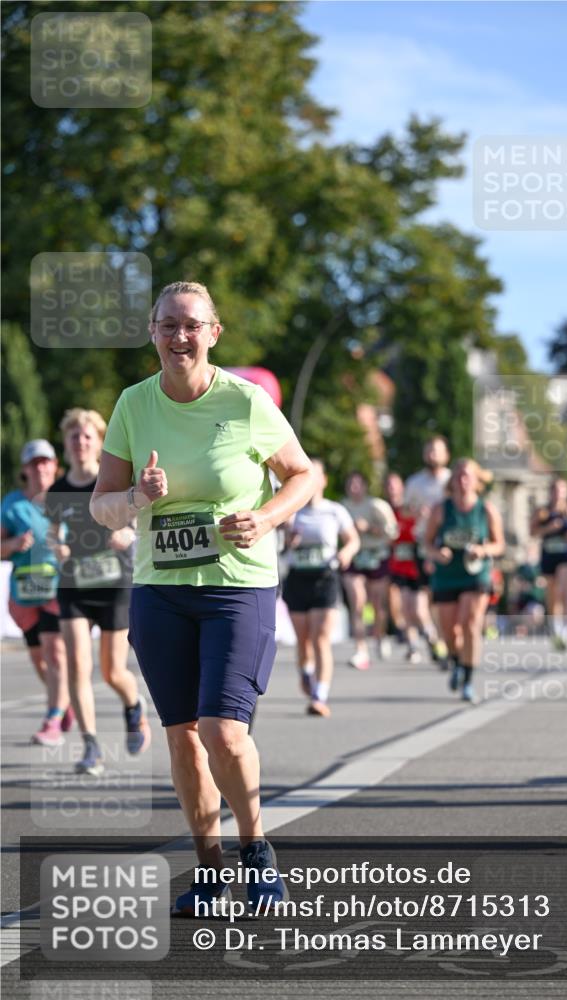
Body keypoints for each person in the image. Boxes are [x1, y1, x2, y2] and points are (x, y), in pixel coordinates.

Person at [89, 280, 314, 916]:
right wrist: (137, 498)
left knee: (223, 732)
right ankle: (208, 872)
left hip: (237, 586)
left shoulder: (246, 401)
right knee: (184, 738)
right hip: (162, 590)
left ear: (213, 333)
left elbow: (304, 474)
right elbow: (102, 507)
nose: (178, 336)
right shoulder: (134, 404)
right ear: (152, 332)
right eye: (167, 325)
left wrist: (267, 518)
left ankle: (256, 849)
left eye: (191, 325)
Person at [45, 409, 150, 775]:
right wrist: (55, 545)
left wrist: (128, 533)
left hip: (114, 584)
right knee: (76, 666)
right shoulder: (58, 490)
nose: (81, 443)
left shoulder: (113, 482)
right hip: (74, 584)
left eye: (88, 436)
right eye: (74, 437)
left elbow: (137, 517)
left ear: (99, 442)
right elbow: (53, 531)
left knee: (111, 671)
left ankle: (134, 705)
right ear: (67, 444)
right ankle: (91, 746)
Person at [1, 439, 71, 745]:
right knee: (38, 658)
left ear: (55, 466)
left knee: (55, 652)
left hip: (60, 589)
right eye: (34, 462)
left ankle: (53, 717)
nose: (40, 467)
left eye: (46, 461)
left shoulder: (68, 499)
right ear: (25, 470)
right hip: (25, 593)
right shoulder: (12, 504)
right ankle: (63, 701)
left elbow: (92, 540)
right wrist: (13, 546)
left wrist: (69, 550)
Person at [283, 459, 359, 716]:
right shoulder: (293, 511)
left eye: (317, 476)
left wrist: (346, 553)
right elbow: (280, 547)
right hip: (298, 578)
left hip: (326, 577)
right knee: (303, 641)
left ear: (324, 481)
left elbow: (352, 540)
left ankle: (320, 696)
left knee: (321, 639)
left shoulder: (334, 511)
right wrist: (289, 541)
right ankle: (306, 672)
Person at [424, 458, 505, 703]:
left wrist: (483, 551)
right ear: (452, 480)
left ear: (476, 480)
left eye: (467, 475)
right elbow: (426, 544)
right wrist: (438, 553)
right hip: (447, 575)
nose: (462, 480)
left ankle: (468, 680)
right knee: (450, 631)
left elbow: (499, 545)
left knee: (471, 623)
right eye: (458, 475)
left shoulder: (486, 509)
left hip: (475, 573)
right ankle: (457, 660)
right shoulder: (441, 509)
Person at [341, 471, 398, 670]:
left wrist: (370, 528)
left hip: (376, 555)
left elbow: (393, 531)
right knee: (357, 602)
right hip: (355, 556)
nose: (354, 488)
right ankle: (361, 649)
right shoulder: (343, 507)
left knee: (378, 604)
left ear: (365, 486)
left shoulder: (377, 505)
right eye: (351, 484)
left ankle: (380, 636)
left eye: (358, 484)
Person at [404, 436, 451, 663]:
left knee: (443, 601)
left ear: (446, 455)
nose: (433, 455)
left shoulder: (452, 481)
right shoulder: (415, 483)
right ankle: (434, 639)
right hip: (422, 544)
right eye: (429, 451)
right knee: (418, 603)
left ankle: (448, 643)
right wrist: (416, 514)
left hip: (448, 545)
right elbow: (404, 511)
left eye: (437, 451)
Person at [530, 478, 567, 650]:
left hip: (566, 556)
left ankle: (566, 629)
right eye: (555, 490)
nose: (558, 494)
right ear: (550, 492)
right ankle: (555, 627)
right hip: (549, 554)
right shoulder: (542, 511)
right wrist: (550, 528)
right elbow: (533, 532)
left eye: (561, 490)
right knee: (552, 593)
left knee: (564, 591)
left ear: (566, 492)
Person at [385, 472, 427, 663]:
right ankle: (413, 646)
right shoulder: (386, 512)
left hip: (416, 566)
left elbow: (425, 533)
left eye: (396, 485)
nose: (392, 489)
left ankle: (432, 638)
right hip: (398, 566)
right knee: (403, 608)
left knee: (418, 609)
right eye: (389, 486)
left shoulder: (414, 511)